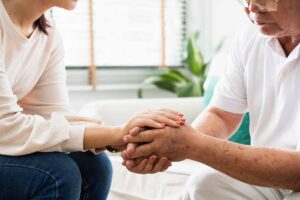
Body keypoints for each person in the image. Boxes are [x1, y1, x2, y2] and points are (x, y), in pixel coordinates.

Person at [0, 0, 186, 199]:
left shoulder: (48, 37)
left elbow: (54, 116)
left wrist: (128, 136)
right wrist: (114, 134)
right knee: (57, 173)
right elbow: (6, 126)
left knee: (94, 165)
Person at [121, 0, 300, 199]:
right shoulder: (250, 37)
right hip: (270, 177)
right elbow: (221, 115)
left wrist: (193, 145)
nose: (251, 8)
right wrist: (166, 146)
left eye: (262, 0)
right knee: (204, 184)